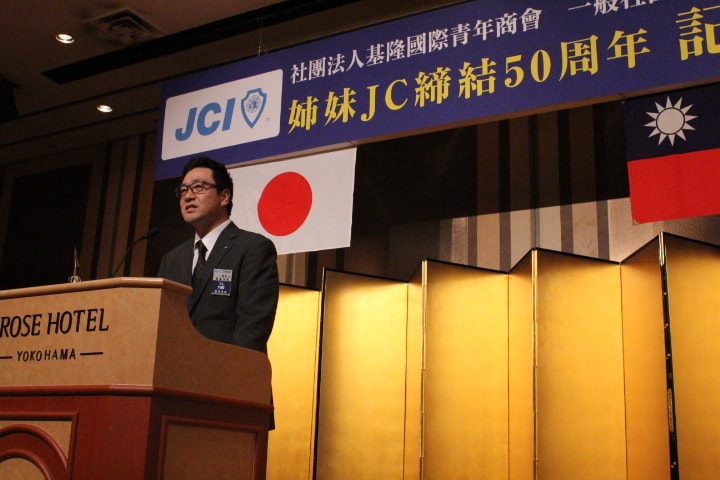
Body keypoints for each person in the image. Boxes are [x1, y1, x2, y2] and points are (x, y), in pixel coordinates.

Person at [158, 156, 279, 354]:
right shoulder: (172, 260)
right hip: (176, 369)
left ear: (224, 197)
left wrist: (224, 368)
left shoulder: (253, 248)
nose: (188, 196)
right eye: (184, 190)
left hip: (228, 369)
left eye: (198, 187)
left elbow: (253, 325)